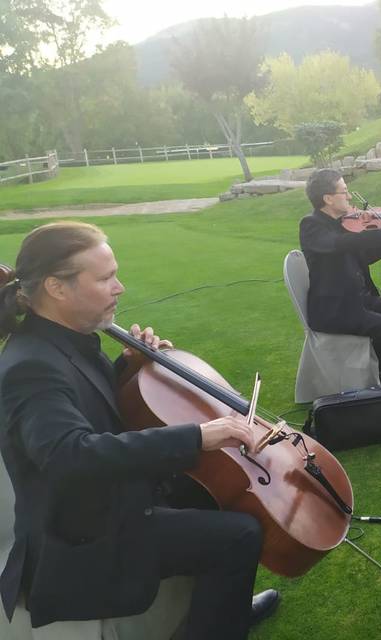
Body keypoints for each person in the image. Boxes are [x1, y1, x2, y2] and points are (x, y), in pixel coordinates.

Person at [0, 222, 279, 638]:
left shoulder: (67, 337)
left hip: (107, 501)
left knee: (213, 493)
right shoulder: (30, 366)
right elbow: (69, 455)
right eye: (106, 278)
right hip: (82, 535)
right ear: (57, 288)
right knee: (239, 534)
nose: (120, 287)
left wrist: (131, 366)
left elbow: (87, 405)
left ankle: (224, 605)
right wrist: (199, 436)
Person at [300, 168, 381, 373]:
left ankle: (378, 367)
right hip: (335, 309)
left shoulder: (343, 224)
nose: (348, 196)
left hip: (360, 299)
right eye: (344, 191)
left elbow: (363, 257)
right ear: (328, 198)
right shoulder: (312, 225)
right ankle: (372, 375)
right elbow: (338, 244)